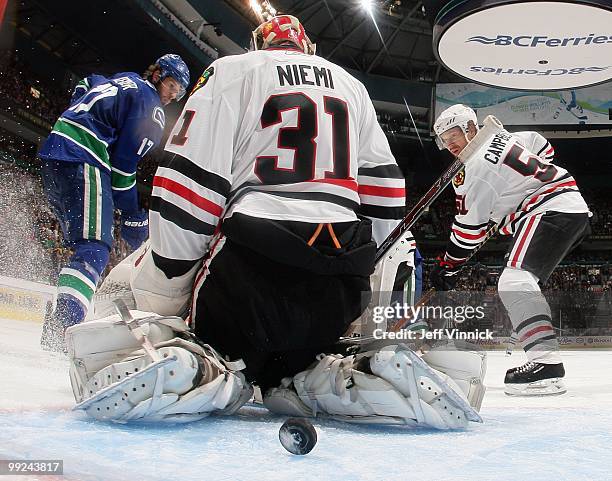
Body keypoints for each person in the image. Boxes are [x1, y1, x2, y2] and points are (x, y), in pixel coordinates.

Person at [66, 16, 486, 428]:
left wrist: (168, 283)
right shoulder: (351, 86)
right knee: (294, 375)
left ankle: (192, 366)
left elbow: (189, 182)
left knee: (219, 348)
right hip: (337, 278)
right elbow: (385, 192)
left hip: (251, 265)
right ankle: (359, 377)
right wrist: (363, 276)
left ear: (258, 45)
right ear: (308, 48)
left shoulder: (233, 70)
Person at [430, 104, 591, 396]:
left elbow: (468, 232)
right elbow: (543, 147)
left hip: (550, 209)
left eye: (453, 134)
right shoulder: (508, 136)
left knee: (514, 281)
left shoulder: (474, 169)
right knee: (520, 282)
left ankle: (546, 365)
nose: (449, 144)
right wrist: (517, 191)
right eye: (443, 140)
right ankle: (543, 357)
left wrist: (448, 265)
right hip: (566, 206)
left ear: (470, 128)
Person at [39, 54, 190, 350]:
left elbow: (88, 82)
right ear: (157, 74)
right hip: (83, 158)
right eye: (172, 84)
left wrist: (78, 113)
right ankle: (62, 328)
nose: (173, 95)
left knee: (81, 244)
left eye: (179, 91)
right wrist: (134, 214)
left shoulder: (124, 78)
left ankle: (61, 321)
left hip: (54, 155)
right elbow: (122, 171)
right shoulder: (151, 108)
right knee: (94, 247)